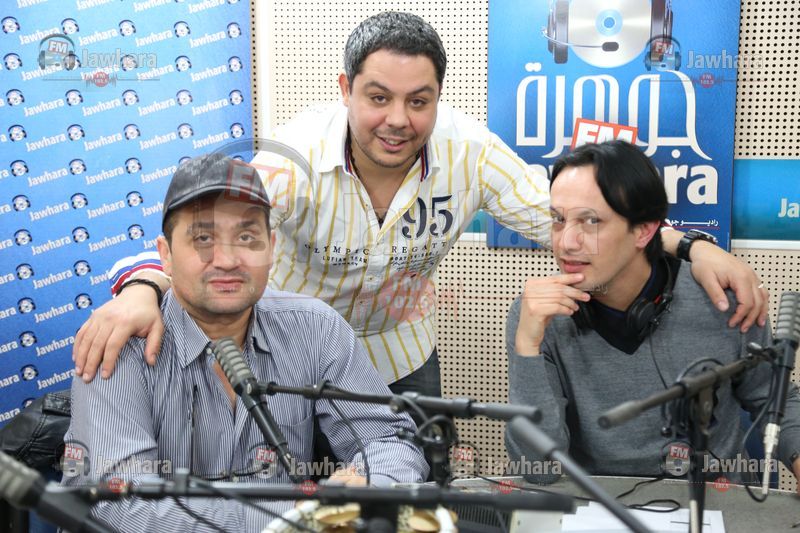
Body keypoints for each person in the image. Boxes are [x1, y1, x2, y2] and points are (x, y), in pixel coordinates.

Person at [72, 11, 767, 399]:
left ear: (439, 97)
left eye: (418, 100)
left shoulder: (471, 151)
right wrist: (141, 291)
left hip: (402, 358)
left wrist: (692, 246)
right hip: (291, 363)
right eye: (378, 97)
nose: (398, 120)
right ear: (346, 89)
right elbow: (209, 238)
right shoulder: (293, 160)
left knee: (415, 502)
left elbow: (578, 219)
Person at [62, 154, 428, 531]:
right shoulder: (120, 346)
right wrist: (302, 515)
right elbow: (118, 504)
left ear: (271, 248)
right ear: (165, 256)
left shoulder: (316, 329)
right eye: (203, 239)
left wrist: (365, 488)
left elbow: (391, 441)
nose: (226, 260)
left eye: (247, 238)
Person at [506, 140, 800, 488]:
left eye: (591, 220)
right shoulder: (538, 317)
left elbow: (774, 400)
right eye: (558, 219)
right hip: (598, 505)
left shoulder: (721, 298)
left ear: (644, 230)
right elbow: (537, 469)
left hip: (715, 500)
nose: (566, 242)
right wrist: (527, 347)